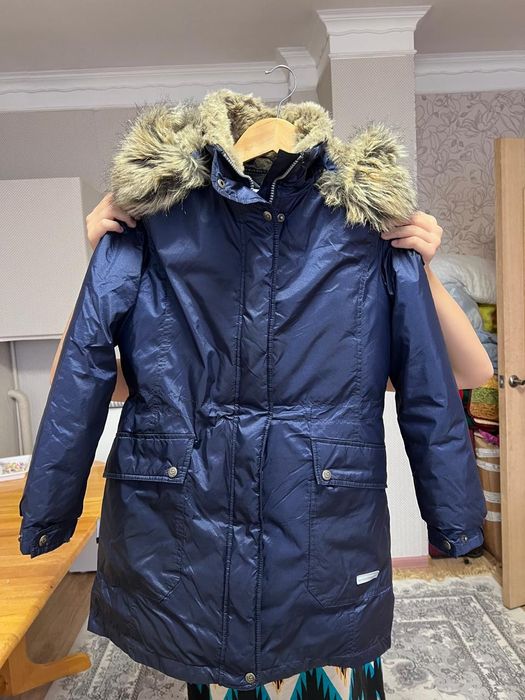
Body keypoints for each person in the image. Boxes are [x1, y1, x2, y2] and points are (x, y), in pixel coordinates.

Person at [46, 195, 492, 700]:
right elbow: (77, 375)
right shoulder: (169, 284)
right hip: (209, 561)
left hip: (324, 548)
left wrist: (417, 270)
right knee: (222, 673)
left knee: (333, 670)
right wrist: (105, 264)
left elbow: (471, 371)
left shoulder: (353, 285)